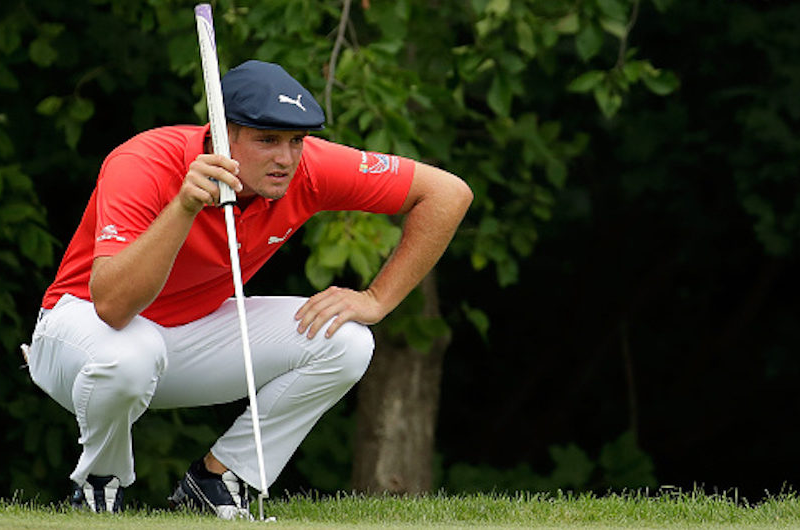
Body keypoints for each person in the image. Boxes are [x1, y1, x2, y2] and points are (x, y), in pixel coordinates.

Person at [26, 59, 472, 518]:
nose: (285, 157)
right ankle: (102, 482)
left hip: (185, 339)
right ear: (224, 135)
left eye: (296, 140)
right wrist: (183, 206)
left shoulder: (306, 167)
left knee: (347, 341)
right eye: (267, 140)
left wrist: (377, 300)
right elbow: (113, 306)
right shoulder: (144, 161)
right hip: (79, 338)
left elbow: (447, 193)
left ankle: (219, 479)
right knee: (130, 352)